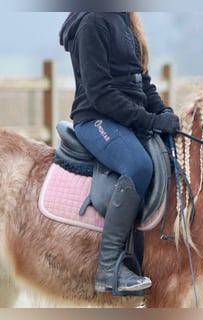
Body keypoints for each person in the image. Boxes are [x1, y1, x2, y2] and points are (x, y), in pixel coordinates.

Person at [59, 12, 179, 293]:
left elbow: (142, 81)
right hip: (96, 119)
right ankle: (109, 267)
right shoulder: (93, 22)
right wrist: (149, 121)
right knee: (138, 165)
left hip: (123, 118)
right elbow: (100, 93)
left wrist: (162, 111)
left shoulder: (124, 19)